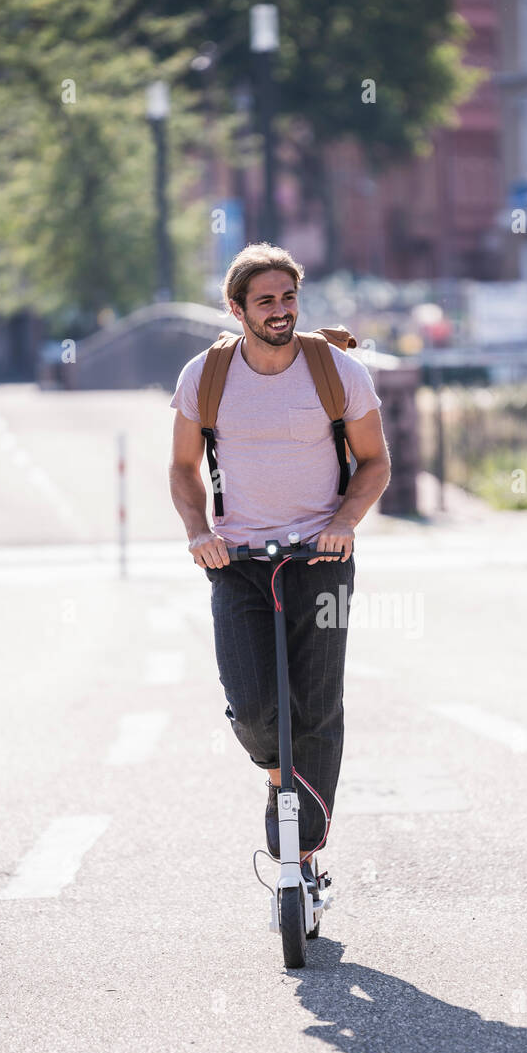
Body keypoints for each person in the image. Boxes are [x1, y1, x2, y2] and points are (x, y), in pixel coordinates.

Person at [168, 243, 391, 874]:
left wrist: (345, 522)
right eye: (265, 300)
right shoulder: (204, 377)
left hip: (321, 560)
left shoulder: (337, 371)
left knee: (317, 703)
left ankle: (302, 846)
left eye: (289, 298)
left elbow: (375, 460)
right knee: (254, 705)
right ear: (236, 308)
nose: (280, 311)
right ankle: (278, 780)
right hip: (236, 562)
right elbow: (183, 468)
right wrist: (197, 531)